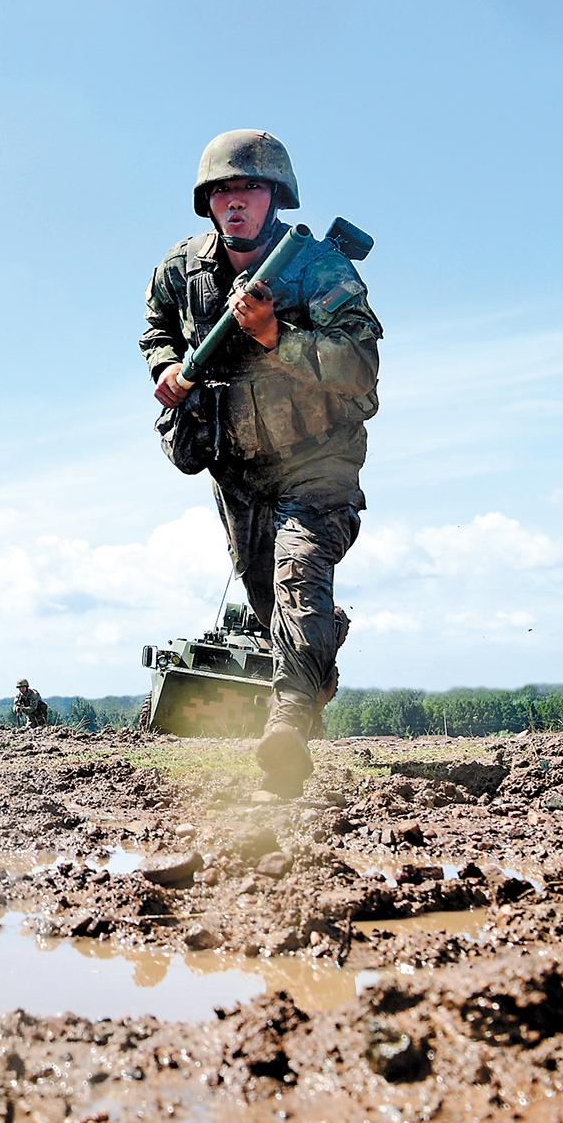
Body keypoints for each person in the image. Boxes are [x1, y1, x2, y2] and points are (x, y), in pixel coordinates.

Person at [140, 129, 381, 798]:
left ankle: (288, 724)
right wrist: (165, 368)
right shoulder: (181, 269)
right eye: (221, 190)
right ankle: (311, 670)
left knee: (298, 575)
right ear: (207, 201)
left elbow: (362, 368)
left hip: (318, 461)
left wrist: (278, 337)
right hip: (239, 469)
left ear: (274, 192)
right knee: (267, 597)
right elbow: (157, 326)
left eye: (246, 187)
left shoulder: (318, 268)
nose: (234, 201)